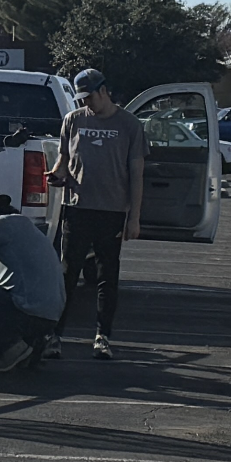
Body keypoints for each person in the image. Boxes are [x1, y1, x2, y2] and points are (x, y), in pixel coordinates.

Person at [47, 67, 144, 360]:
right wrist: (55, 174)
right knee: (67, 273)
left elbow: (137, 173)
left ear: (104, 91)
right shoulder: (73, 121)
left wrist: (134, 217)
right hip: (76, 207)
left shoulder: (129, 125)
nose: (86, 103)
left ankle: (103, 335)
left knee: (106, 275)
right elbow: (65, 160)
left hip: (112, 210)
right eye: (82, 98)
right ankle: (54, 335)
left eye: (89, 97)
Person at [0, 194, 66, 371]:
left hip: (30, 311)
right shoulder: (25, 228)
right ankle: (33, 345)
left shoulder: (2, 223)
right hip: (50, 316)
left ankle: (11, 346)